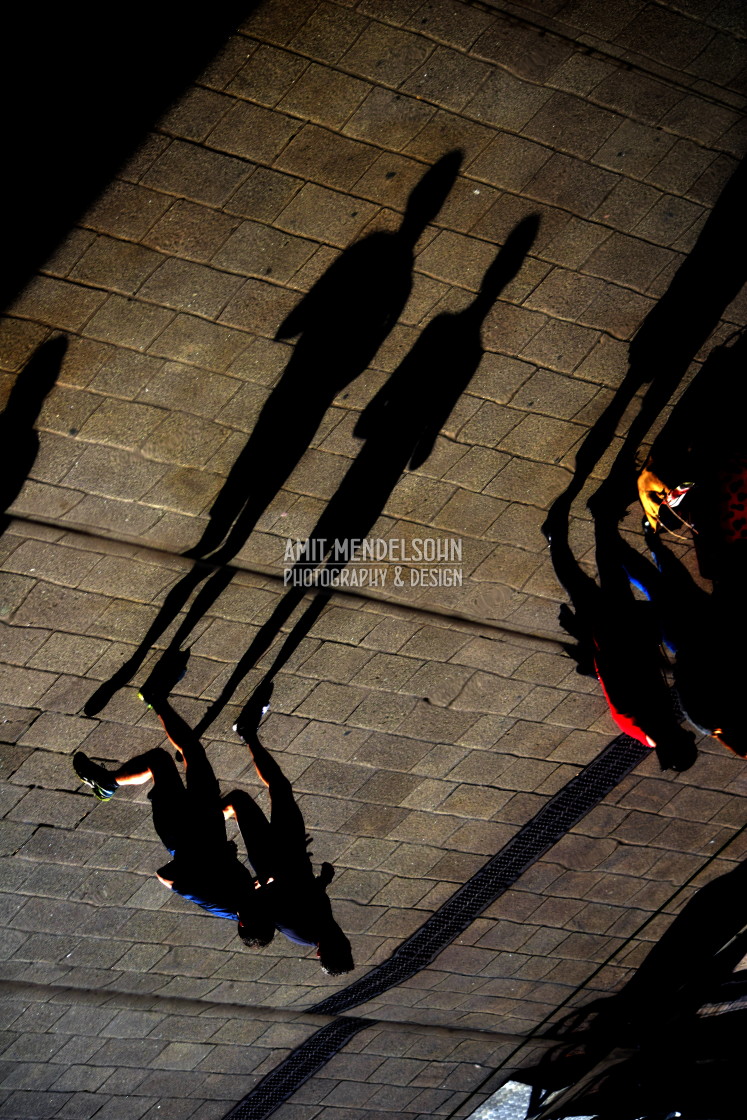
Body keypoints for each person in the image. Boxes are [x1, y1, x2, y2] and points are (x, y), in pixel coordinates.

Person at [72, 654, 273, 946]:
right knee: (194, 753)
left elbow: (166, 876)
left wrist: (201, 863)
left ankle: (107, 783)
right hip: (208, 820)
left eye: (258, 913)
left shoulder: (216, 900)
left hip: (177, 827)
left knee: (160, 761)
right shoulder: (251, 899)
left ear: (242, 920)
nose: (262, 906)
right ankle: (156, 696)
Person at [224, 683, 354, 975]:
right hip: (292, 849)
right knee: (279, 789)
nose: (342, 939)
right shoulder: (325, 928)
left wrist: (282, 875)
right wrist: (323, 881)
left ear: (321, 952)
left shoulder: (300, 930)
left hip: (272, 854)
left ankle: (202, 816)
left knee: (242, 801)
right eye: (345, 945)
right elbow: (309, 894)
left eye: (339, 946)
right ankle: (247, 732)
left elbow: (273, 897)